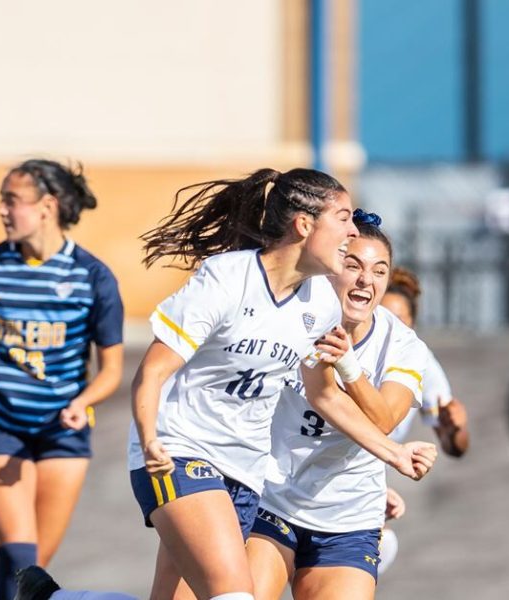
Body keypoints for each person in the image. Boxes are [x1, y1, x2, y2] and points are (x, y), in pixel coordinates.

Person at [126, 168, 436, 600]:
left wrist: (395, 453)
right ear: (304, 225)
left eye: (379, 269)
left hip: (245, 472)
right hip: (182, 451)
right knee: (234, 594)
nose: (351, 230)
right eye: (343, 218)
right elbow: (153, 370)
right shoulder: (226, 279)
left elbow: (324, 393)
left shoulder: (322, 306)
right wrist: (148, 440)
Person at [246, 210, 430, 600]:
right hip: (271, 498)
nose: (367, 280)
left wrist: (348, 364)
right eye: (353, 265)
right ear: (330, 267)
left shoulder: (403, 346)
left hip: (348, 518)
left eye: (380, 271)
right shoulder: (296, 315)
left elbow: (383, 419)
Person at [0, 159, 124, 600]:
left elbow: (111, 370)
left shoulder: (92, 276)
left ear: (47, 206)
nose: (1, 210)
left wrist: (83, 402)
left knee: (34, 569)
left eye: (11, 200)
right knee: (18, 555)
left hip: (62, 432)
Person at [382, 267, 469, 457]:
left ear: (412, 323)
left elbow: (454, 447)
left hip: (369, 475)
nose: (388, 326)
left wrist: (456, 429)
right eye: (380, 316)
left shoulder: (420, 359)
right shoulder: (348, 347)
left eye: (397, 319)